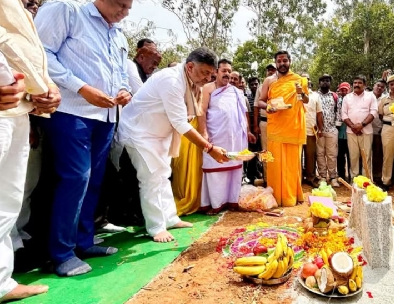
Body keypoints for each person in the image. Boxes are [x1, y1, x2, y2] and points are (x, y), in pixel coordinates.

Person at [34, 0, 138, 276]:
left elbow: (120, 72)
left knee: (93, 180)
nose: (123, 12)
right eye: (120, 5)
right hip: (71, 112)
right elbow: (42, 54)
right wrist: (80, 87)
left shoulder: (118, 35)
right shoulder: (69, 13)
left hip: (105, 118)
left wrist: (123, 90)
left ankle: (83, 240)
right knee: (75, 177)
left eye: (128, 8)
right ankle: (60, 253)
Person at [0, 0, 61, 300]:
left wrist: (42, 90)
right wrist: (1, 80)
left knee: (5, 201)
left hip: (17, 105)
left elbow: (20, 45)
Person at [118, 48, 228, 242]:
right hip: (140, 132)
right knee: (151, 179)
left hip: (159, 133)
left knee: (163, 175)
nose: (207, 79)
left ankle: (169, 218)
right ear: (190, 66)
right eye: (204, 73)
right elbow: (180, 123)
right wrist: (209, 148)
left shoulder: (190, 81)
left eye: (211, 74)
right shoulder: (172, 81)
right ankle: (156, 227)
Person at [199, 59, 255, 214]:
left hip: (236, 137)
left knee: (234, 169)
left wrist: (248, 131)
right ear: (216, 72)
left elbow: (243, 114)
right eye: (224, 70)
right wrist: (204, 132)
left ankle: (232, 201)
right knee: (215, 168)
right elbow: (202, 111)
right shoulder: (208, 88)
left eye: (229, 71)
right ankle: (216, 203)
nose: (227, 74)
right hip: (215, 136)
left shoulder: (236, 91)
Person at [257, 51, 308, 207]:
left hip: (293, 128)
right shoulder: (269, 81)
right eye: (279, 61)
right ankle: (275, 197)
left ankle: (291, 196)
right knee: (274, 163)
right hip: (275, 128)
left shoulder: (299, 80)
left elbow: (305, 100)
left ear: (290, 61)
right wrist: (269, 107)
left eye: (285, 60)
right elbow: (260, 101)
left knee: (293, 165)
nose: (282, 63)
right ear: (275, 63)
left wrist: (301, 92)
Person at [341, 76, 378, 179]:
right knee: (353, 157)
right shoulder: (347, 97)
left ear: (364, 85)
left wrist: (361, 125)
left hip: (366, 131)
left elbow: (373, 112)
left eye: (359, 83)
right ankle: (355, 181)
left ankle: (366, 181)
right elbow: (343, 114)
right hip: (351, 132)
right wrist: (353, 127)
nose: (356, 84)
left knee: (366, 157)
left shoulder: (371, 96)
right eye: (355, 82)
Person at [254, 64, 277, 182]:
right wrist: (256, 125)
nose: (271, 71)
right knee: (265, 151)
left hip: (279, 124)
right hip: (264, 123)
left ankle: (277, 179)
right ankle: (268, 179)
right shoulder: (261, 87)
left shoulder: (280, 85)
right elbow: (256, 107)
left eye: (273, 69)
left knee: (277, 151)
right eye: (269, 70)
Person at [315, 75, 339, 187]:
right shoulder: (315, 95)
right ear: (319, 83)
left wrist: (336, 126)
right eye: (323, 81)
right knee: (320, 154)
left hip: (331, 129)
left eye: (327, 81)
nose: (325, 82)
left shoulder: (334, 96)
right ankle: (323, 177)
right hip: (318, 131)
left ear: (330, 83)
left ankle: (333, 177)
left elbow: (338, 111)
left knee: (332, 154)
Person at [303, 76, 321, 188]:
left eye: (308, 79)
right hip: (296, 130)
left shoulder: (315, 96)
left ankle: (310, 178)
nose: (306, 81)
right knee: (297, 157)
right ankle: (298, 178)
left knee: (310, 155)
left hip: (311, 129)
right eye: (303, 78)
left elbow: (319, 113)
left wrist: (320, 128)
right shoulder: (295, 94)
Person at [371, 80, 387, 185]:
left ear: (384, 89)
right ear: (373, 86)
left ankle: (377, 177)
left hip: (379, 131)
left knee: (378, 156)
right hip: (365, 130)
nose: (379, 88)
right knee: (365, 155)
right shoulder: (367, 96)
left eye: (382, 87)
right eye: (378, 85)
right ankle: (364, 177)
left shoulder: (385, 99)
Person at [336, 82, 351, 181]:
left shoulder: (352, 100)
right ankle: (341, 175)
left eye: (346, 89)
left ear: (349, 90)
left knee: (351, 155)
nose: (344, 91)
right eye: (342, 89)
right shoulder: (337, 100)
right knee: (340, 155)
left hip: (350, 132)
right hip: (339, 133)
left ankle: (351, 175)